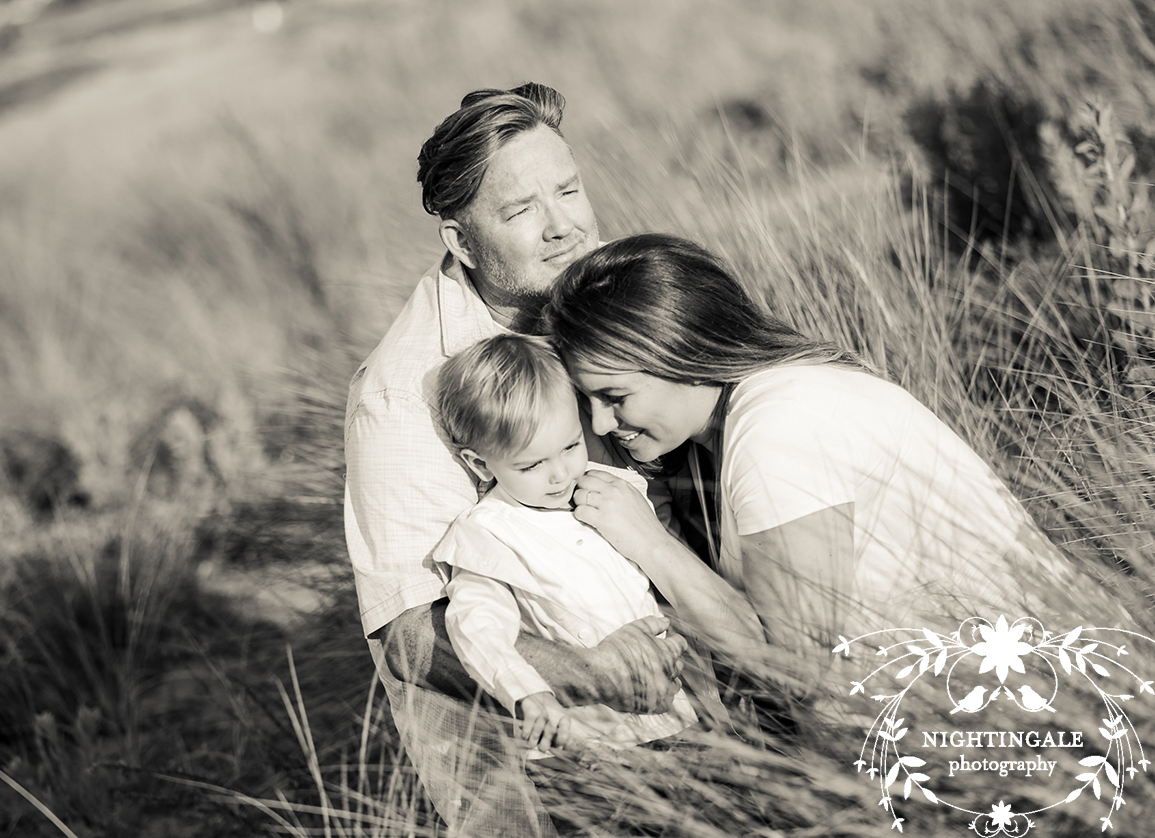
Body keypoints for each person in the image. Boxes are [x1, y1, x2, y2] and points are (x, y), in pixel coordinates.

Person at [343, 86, 688, 837]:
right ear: (462, 242)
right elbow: (411, 637)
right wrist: (590, 673)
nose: (564, 226)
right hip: (544, 773)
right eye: (522, 210)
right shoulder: (403, 395)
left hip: (684, 710)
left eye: (568, 190)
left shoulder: (602, 305)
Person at [543, 232, 1081, 693]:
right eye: (589, 402)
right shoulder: (772, 404)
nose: (602, 424)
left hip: (1034, 700)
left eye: (615, 396)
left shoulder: (778, 427)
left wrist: (650, 543)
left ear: (683, 351)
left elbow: (802, 671)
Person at [433, 334, 698, 755]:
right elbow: (477, 624)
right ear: (480, 464)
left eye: (571, 446)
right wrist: (527, 693)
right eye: (531, 465)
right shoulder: (489, 533)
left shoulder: (611, 491)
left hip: (674, 716)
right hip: (587, 744)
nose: (559, 474)